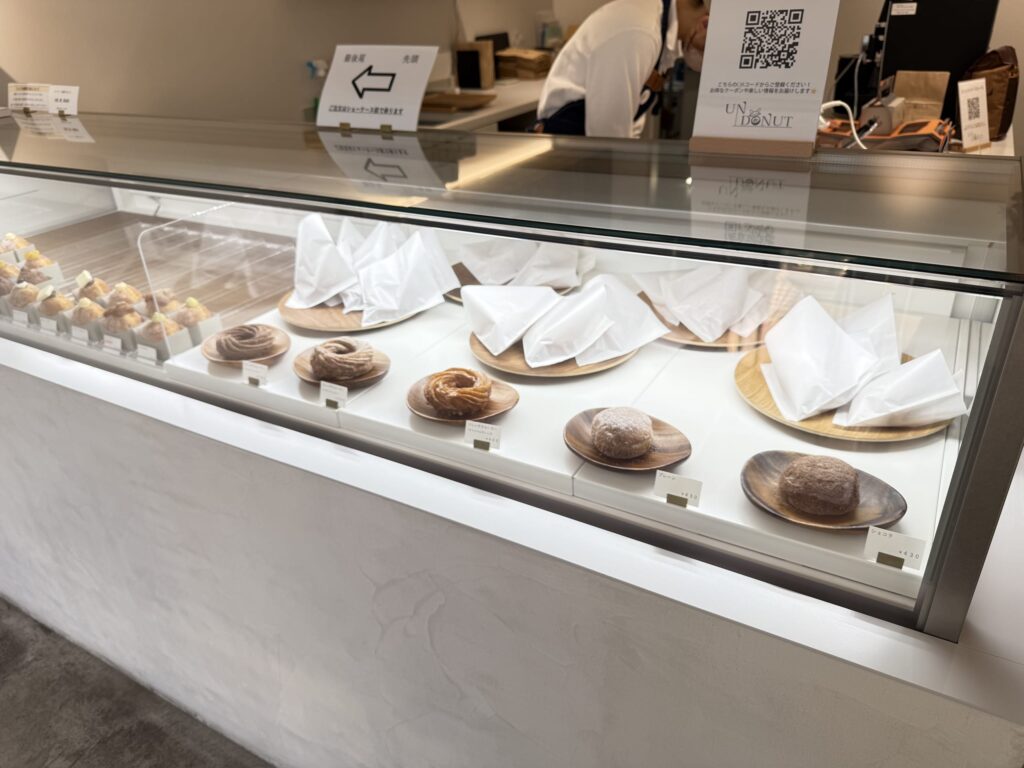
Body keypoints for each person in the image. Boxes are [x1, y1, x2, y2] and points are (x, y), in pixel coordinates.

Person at [535, 0, 710, 138]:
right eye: (710, 48)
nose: (707, 56)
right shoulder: (641, 30)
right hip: (567, 146)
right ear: (705, 24)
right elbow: (607, 130)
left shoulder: (656, 30)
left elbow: (629, 117)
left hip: (589, 149)